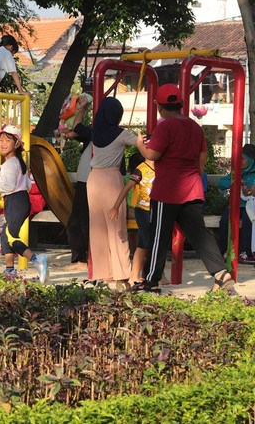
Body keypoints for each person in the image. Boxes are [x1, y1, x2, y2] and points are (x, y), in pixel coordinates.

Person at [135, 84, 234, 293]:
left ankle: (151, 281)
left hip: (167, 191)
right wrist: (195, 178)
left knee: (159, 236)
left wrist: (139, 145)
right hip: (192, 188)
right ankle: (221, 273)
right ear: (180, 104)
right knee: (199, 233)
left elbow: (152, 155)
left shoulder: (165, 126)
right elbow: (202, 159)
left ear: (160, 107)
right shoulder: (195, 127)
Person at [87, 97, 136, 290]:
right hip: (110, 180)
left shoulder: (95, 132)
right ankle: (122, 277)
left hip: (93, 181)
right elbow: (142, 144)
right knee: (117, 229)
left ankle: (103, 273)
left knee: (97, 228)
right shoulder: (122, 134)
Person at [0, 125, 48, 282]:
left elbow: (8, 186)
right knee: (6, 235)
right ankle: (9, 271)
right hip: (18, 201)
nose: (2, 144)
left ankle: (36, 260)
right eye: (0, 140)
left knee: (10, 237)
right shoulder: (18, 162)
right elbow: (27, 184)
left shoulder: (9, 164)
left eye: (7, 141)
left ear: (16, 144)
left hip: (15, 201)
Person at [108, 152, 156, 284]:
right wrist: (115, 207)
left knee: (153, 243)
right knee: (143, 243)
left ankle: (151, 275)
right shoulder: (140, 170)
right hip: (142, 210)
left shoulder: (162, 167)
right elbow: (126, 188)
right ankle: (134, 276)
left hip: (156, 210)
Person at [63, 95, 92, 270]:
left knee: (84, 222)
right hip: (85, 182)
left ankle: (83, 259)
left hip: (91, 183)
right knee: (77, 222)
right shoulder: (97, 132)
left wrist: (81, 109)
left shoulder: (101, 132)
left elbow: (78, 127)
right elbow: (75, 132)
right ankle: (80, 258)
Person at [218, 143, 255, 263]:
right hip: (236, 205)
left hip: (251, 207)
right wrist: (235, 181)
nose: (240, 162)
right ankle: (226, 250)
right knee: (225, 220)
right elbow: (221, 184)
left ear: (251, 160)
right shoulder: (236, 172)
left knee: (248, 219)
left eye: (243, 159)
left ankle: (246, 252)